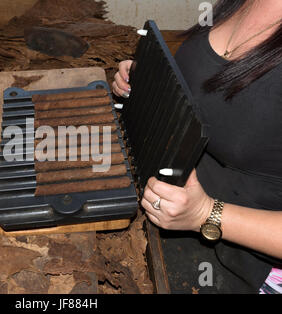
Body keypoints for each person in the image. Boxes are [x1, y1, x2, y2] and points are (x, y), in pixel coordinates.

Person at [113, 0, 282, 293]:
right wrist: (151, 81)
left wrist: (206, 214)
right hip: (177, 201)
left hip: (254, 267)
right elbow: (219, 97)